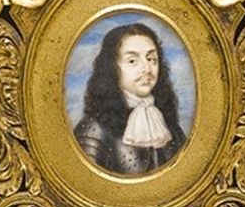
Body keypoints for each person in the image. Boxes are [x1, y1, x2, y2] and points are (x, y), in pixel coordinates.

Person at [74, 23, 186, 174]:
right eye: (132, 61)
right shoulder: (93, 131)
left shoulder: (169, 126)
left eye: (151, 59)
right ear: (111, 67)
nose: (147, 69)